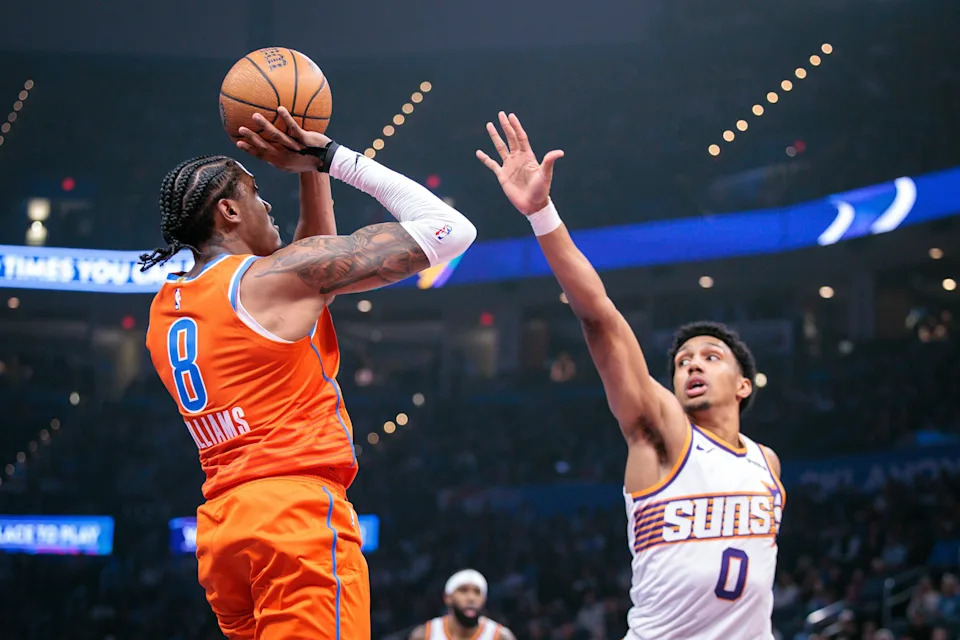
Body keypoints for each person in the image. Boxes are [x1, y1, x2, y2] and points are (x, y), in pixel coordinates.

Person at [143, 106, 477, 640]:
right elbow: (451, 231)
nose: (266, 201)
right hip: (294, 519)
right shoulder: (274, 281)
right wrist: (332, 157)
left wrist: (309, 172)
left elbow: (312, 271)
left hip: (226, 528)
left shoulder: (166, 309)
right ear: (229, 212)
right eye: (255, 193)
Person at [477, 112, 785, 640]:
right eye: (683, 360)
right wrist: (542, 215)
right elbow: (600, 318)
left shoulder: (767, 463)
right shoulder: (665, 431)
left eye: (710, 356)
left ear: (743, 385)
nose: (691, 363)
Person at [408, 570, 516, 640]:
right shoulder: (425, 635)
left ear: (484, 600)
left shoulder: (500, 637)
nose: (471, 598)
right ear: (447, 598)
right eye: (463, 591)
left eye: (477, 592)